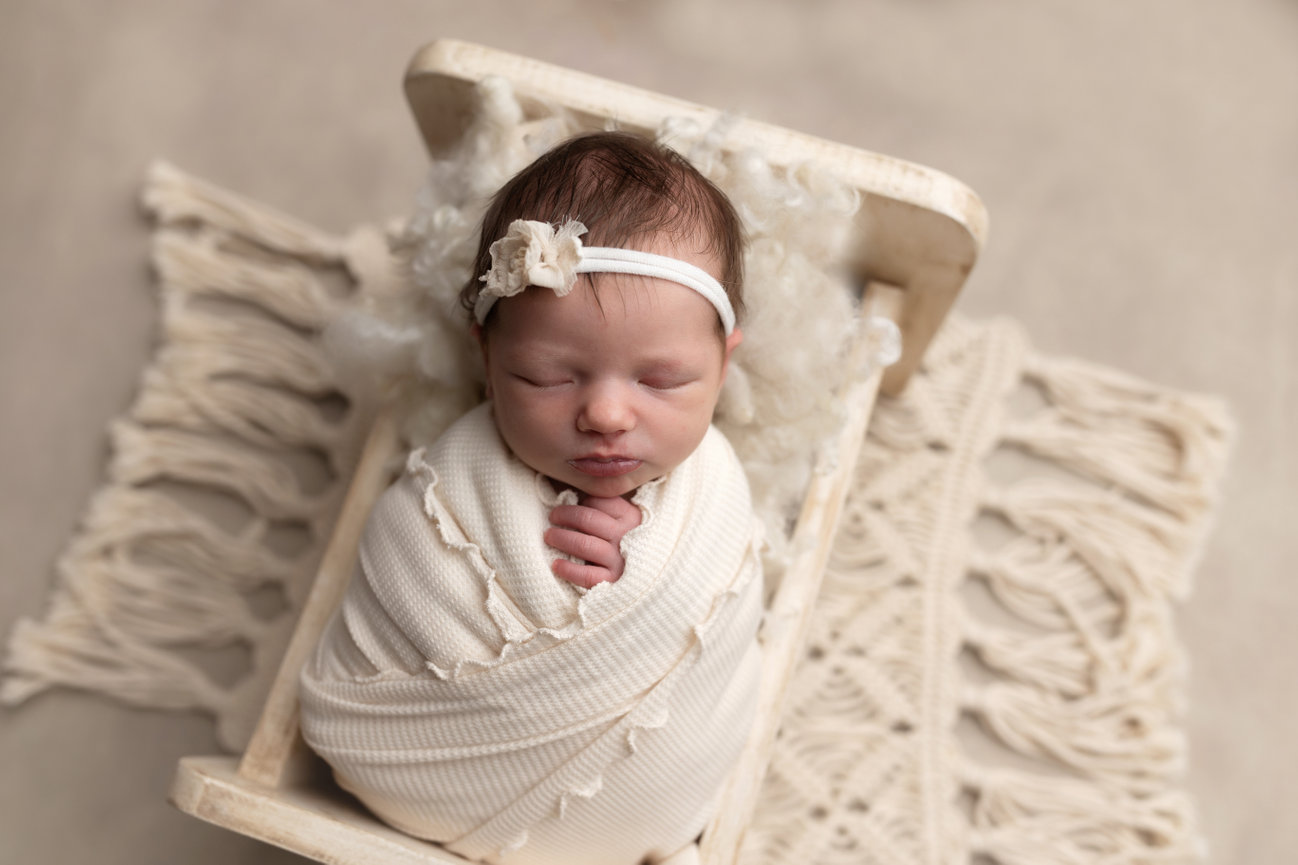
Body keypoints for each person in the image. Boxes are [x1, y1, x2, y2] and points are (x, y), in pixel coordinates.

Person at [300, 131, 764, 865]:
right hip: (418, 769)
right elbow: (402, 570)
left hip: (653, 794)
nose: (607, 415)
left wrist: (644, 569)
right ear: (487, 358)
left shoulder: (711, 487)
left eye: (663, 380)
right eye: (549, 377)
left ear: (723, 362)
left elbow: (721, 588)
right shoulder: (454, 481)